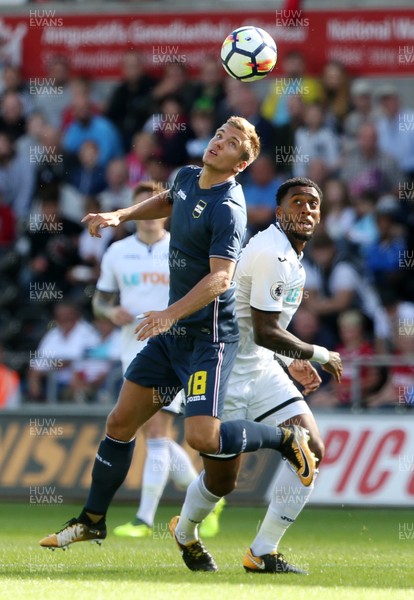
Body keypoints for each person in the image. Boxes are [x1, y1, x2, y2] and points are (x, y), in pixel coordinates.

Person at [39, 116, 316, 556]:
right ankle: (91, 521)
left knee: (202, 438)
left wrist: (169, 313)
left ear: (240, 165)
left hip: (208, 341)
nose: (218, 143)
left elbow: (221, 279)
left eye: (230, 144)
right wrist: (121, 214)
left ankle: (285, 439)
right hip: (172, 339)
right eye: (219, 135)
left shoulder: (229, 207)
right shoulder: (188, 176)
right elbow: (171, 199)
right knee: (120, 423)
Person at [169, 177, 342, 573]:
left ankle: (262, 551)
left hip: (262, 369)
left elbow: (258, 328)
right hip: (225, 370)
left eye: (313, 204)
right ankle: (185, 531)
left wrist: (288, 361)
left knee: (312, 449)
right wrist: (317, 354)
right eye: (296, 203)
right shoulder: (272, 254)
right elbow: (264, 329)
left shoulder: (290, 255)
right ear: (279, 213)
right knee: (222, 482)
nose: (306, 210)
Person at [92, 180, 220, 538]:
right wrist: (110, 310)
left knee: (156, 430)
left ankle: (145, 519)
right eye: (140, 210)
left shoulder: (181, 248)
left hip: (173, 346)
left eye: (153, 209)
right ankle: (207, 494)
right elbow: (99, 300)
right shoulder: (117, 253)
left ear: (166, 213)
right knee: (152, 432)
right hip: (131, 347)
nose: (148, 219)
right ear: (135, 215)